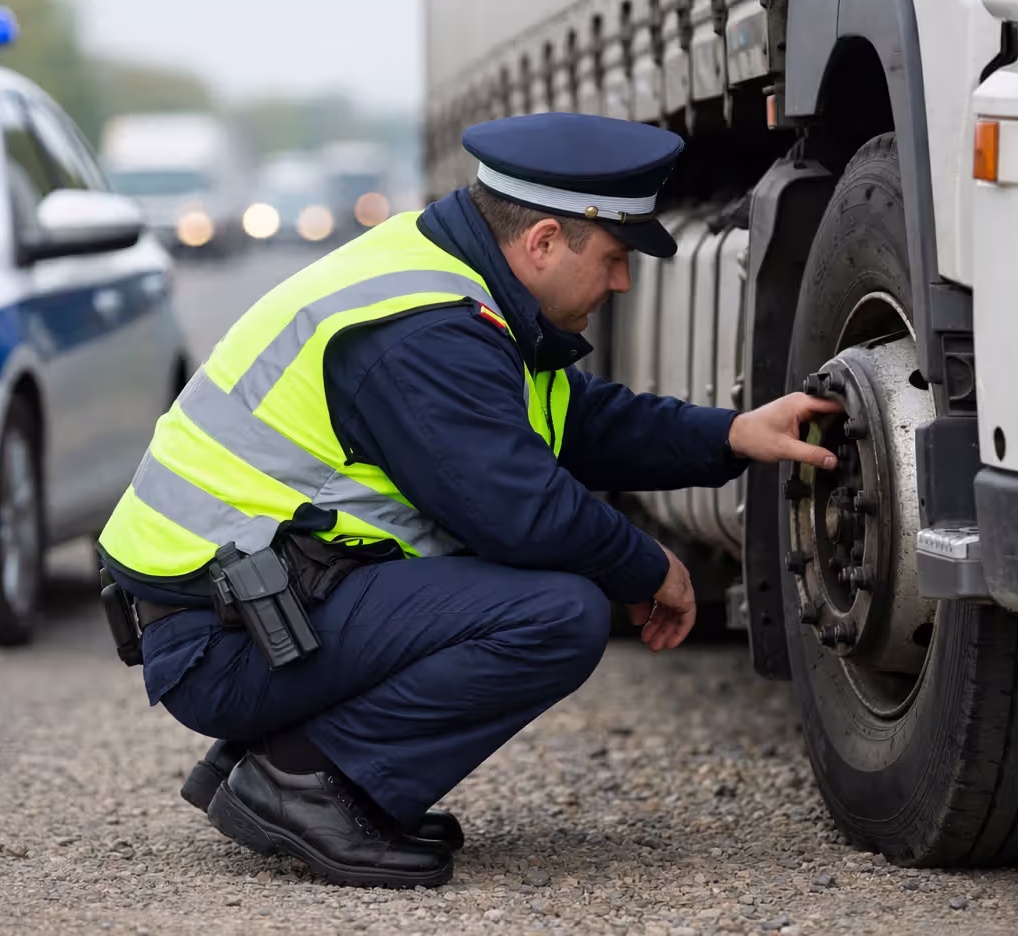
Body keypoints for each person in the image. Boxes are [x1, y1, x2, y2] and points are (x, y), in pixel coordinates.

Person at [97, 112, 840, 889]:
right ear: (543, 241)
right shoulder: (426, 332)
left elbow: (578, 422)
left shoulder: (457, 284)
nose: (621, 283)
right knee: (559, 614)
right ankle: (307, 778)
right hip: (221, 640)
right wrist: (647, 565)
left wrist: (733, 436)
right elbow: (519, 510)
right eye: (615, 258)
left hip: (248, 611)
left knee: (547, 589)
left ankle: (298, 755)